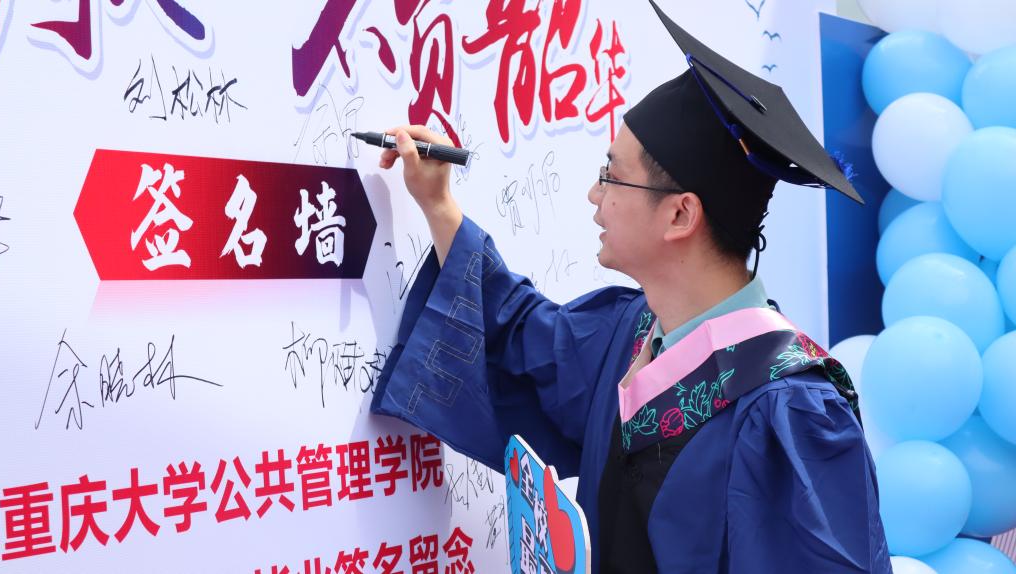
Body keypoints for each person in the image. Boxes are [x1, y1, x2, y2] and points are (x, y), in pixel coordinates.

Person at [369, 3, 891, 572]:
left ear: (680, 215)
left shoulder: (790, 411)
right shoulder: (632, 333)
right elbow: (519, 334)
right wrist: (439, 205)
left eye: (611, 175)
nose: (595, 195)